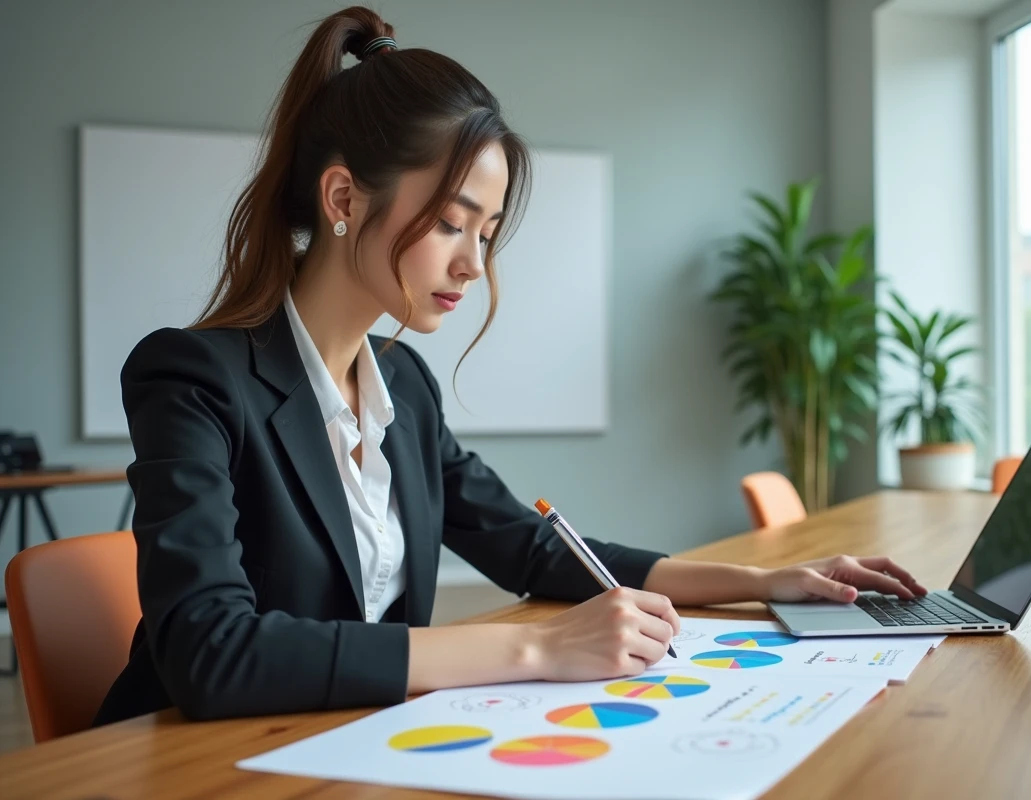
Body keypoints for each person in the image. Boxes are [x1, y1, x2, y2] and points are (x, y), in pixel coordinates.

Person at [93, 6, 926, 727]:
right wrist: (533, 646)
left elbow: (533, 548)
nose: (472, 266)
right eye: (454, 224)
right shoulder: (192, 378)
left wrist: (764, 580)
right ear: (342, 199)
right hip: (184, 762)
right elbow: (211, 653)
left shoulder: (404, 389)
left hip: (333, 749)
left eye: (486, 235)